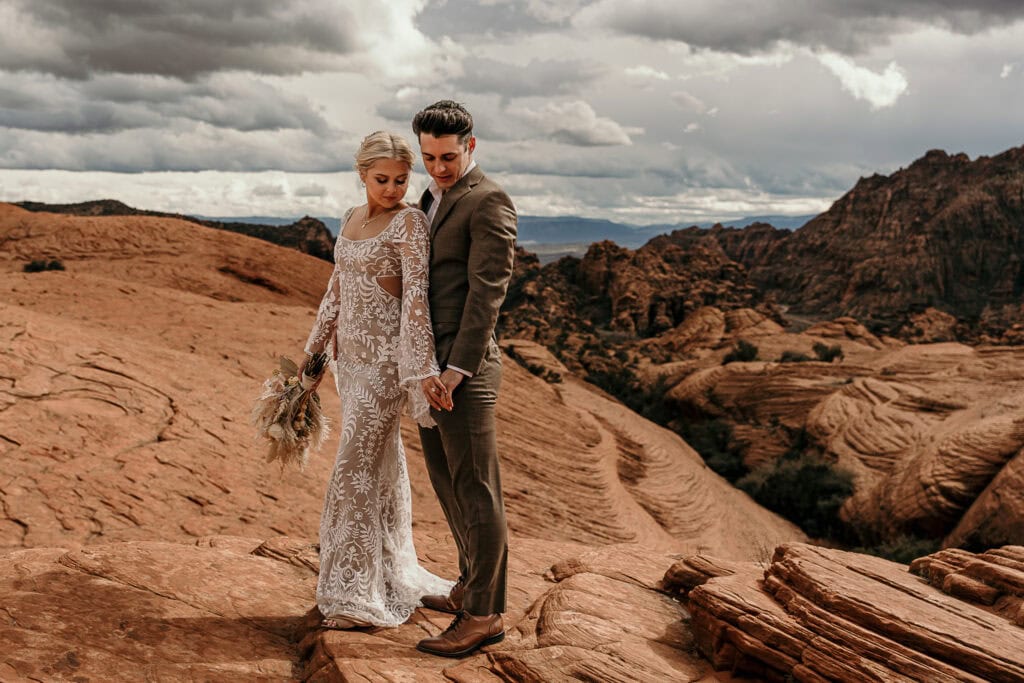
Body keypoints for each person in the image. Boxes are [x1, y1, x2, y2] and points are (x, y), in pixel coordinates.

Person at [302, 130, 456, 630]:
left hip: (389, 368)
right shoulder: (349, 218)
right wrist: (312, 357)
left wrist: (422, 370)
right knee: (380, 464)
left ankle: (351, 595)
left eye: (400, 179)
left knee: (354, 468)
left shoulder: (410, 223)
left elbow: (415, 299)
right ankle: (388, 571)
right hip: (352, 364)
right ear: (361, 174)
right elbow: (336, 290)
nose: (392, 189)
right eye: (381, 179)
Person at [410, 100, 518, 658]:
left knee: (478, 491)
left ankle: (485, 615)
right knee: (447, 483)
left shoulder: (488, 200)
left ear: (471, 146)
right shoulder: (430, 197)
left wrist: (456, 372)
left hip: (464, 372)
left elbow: (487, 295)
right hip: (427, 369)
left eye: (449, 156)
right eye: (429, 157)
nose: (439, 168)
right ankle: (467, 586)